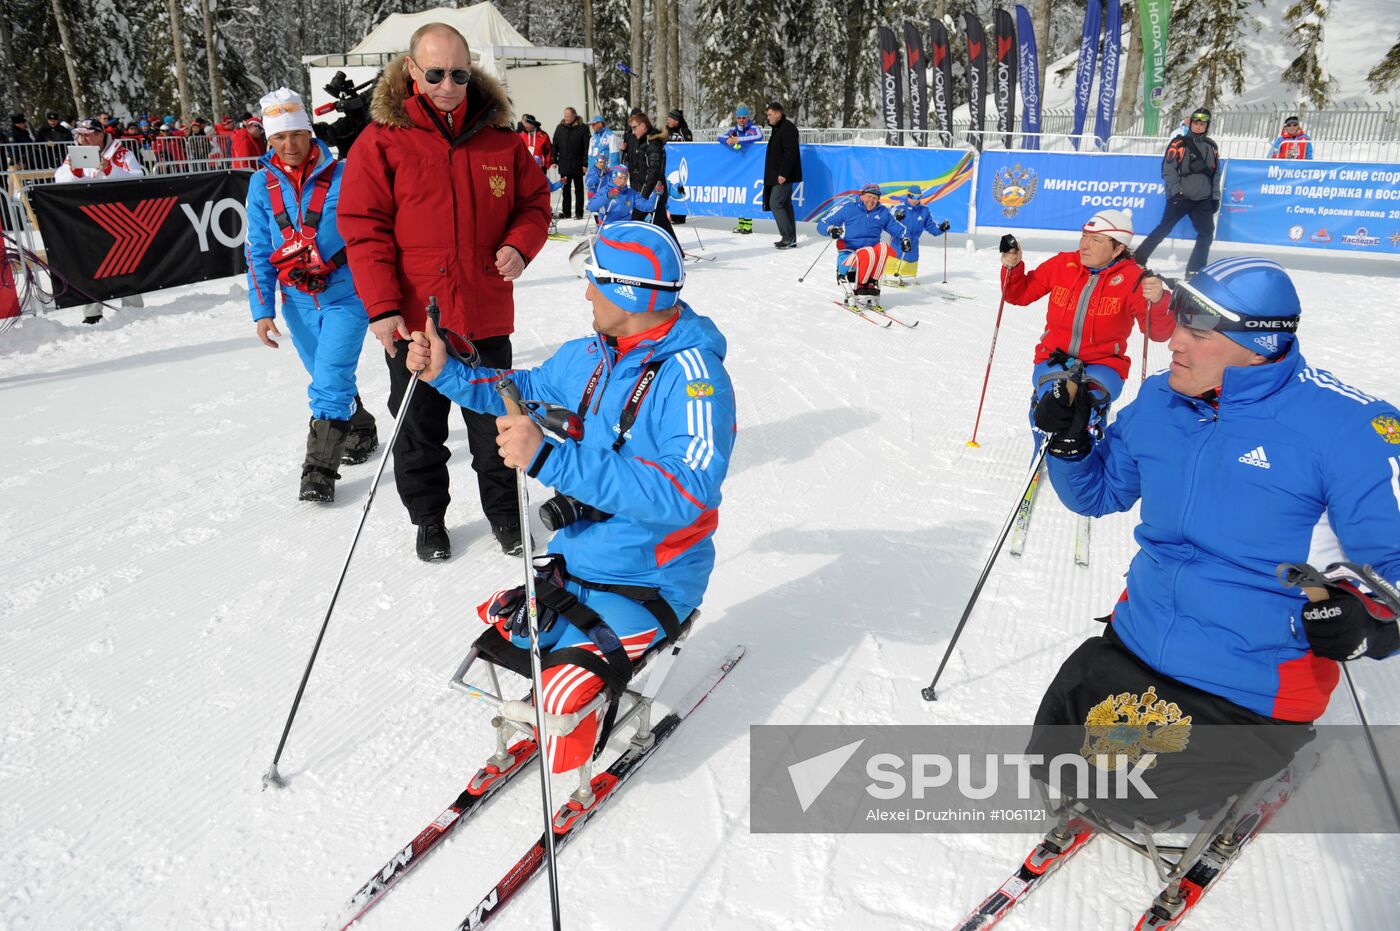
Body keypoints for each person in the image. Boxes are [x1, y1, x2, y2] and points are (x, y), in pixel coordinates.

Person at [1027, 256, 1400, 827]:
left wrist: (1371, 621)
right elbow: (1095, 496)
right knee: (1050, 757)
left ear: (1260, 345)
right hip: (1138, 639)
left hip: (1251, 681)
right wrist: (1072, 442)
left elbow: (1391, 568)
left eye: (1197, 333)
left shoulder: (1349, 428)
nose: (1172, 342)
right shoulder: (1159, 400)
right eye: (1178, 324)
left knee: (1137, 795)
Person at [404, 220, 735, 775]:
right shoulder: (591, 354)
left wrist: (553, 459)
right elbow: (524, 390)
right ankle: (568, 695)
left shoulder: (696, 379)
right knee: (502, 635)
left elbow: (689, 491)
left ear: (629, 292)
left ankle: (579, 740)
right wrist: (447, 373)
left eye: (595, 281)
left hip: (653, 576)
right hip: (580, 561)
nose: (586, 293)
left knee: (557, 703)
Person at [338, 21, 552, 561]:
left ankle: (506, 517)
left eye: (459, 73)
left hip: (483, 316)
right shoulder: (382, 141)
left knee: (498, 428)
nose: (449, 85)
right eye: (435, 73)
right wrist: (383, 308)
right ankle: (429, 520)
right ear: (412, 71)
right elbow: (363, 228)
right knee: (419, 432)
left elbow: (535, 204)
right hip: (415, 322)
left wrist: (521, 245)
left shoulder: (500, 139)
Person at [243, 88, 380, 503]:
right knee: (325, 375)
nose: (289, 146)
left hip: (345, 294)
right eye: (279, 139)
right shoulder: (259, 184)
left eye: (296, 136)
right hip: (297, 301)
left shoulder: (344, 172)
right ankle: (360, 427)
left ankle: (319, 470)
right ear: (268, 141)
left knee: (329, 380)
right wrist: (262, 309)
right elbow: (258, 250)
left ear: (309, 132)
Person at [1000, 209, 1171, 457]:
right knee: (1055, 402)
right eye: (1084, 235)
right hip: (1054, 358)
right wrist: (1013, 268)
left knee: (1083, 406)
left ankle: (1088, 437)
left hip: (1104, 365)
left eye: (1096, 240)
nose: (1084, 245)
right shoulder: (1063, 264)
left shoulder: (1134, 279)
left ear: (1118, 249)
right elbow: (1018, 294)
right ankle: (1043, 435)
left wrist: (1158, 300)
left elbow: (1157, 333)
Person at [54, 117, 146, 324]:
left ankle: (133, 308)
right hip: (87, 218)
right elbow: (59, 178)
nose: (82, 139)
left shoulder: (121, 152)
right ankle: (92, 312)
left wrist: (109, 169)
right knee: (89, 264)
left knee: (124, 260)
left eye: (87, 135)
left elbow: (137, 177)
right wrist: (74, 172)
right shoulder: (75, 154)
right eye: (80, 135)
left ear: (99, 134)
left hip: (118, 217)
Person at [1135, 106, 1221, 279]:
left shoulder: (1211, 145)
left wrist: (1215, 196)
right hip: (1181, 197)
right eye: (1196, 122)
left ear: (1207, 125)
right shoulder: (1178, 143)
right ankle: (1138, 259)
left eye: (1203, 123)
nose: (1198, 126)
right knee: (1164, 228)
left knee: (1206, 233)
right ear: (1191, 123)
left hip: (1203, 199)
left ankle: (1194, 270)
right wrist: (1176, 193)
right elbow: (1169, 169)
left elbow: (1215, 173)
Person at [815, 183, 906, 307]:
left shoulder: (882, 212)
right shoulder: (848, 208)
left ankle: (871, 284)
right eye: (869, 196)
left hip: (871, 256)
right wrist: (831, 229)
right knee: (869, 251)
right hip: (849, 255)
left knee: (884, 248)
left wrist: (905, 239)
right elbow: (822, 223)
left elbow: (900, 230)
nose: (871, 200)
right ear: (862, 196)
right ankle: (860, 286)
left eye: (875, 198)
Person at [625, 111, 674, 241]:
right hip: (642, 190)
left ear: (643, 126)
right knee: (661, 222)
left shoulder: (653, 143)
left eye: (635, 127)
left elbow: (654, 172)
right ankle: (676, 251)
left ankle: (629, 250)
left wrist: (643, 194)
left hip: (652, 192)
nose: (633, 131)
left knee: (635, 221)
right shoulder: (640, 141)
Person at [886, 185, 950, 281]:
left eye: (918, 197)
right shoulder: (898, 207)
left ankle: (909, 279)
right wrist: (896, 218)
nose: (915, 200)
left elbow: (932, 227)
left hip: (914, 243)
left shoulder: (924, 211)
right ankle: (890, 277)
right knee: (896, 261)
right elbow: (888, 222)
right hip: (898, 243)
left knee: (910, 262)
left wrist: (941, 228)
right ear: (908, 195)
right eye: (913, 197)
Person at [716, 105, 763, 233]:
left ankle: (748, 224)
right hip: (737, 169)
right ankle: (741, 223)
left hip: (751, 167)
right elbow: (719, 137)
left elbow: (758, 137)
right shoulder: (733, 130)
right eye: (739, 118)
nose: (742, 120)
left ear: (748, 117)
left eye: (744, 117)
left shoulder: (754, 128)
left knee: (748, 194)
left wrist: (739, 139)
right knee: (740, 196)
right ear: (736, 119)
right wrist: (727, 140)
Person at [763, 102, 802, 249]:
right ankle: (791, 238)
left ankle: (788, 236)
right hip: (777, 175)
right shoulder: (778, 128)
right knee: (784, 204)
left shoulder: (787, 128)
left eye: (770, 114)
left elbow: (790, 153)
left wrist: (784, 173)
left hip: (783, 175)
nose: (768, 118)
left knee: (776, 203)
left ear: (778, 114)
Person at [586, 164, 660, 225]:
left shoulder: (630, 193)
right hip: (608, 227)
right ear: (614, 177)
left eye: (625, 178)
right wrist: (607, 196)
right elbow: (591, 207)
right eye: (620, 177)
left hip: (624, 227)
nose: (623, 181)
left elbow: (648, 207)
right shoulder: (605, 190)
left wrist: (655, 194)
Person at [552, 107, 589, 220]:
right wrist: (554, 159)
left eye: (568, 116)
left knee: (579, 190)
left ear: (574, 116)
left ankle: (579, 213)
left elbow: (587, 147)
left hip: (578, 165)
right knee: (565, 190)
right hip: (564, 166)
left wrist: (585, 163)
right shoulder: (560, 128)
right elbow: (555, 145)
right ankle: (566, 212)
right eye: (565, 115)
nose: (566, 118)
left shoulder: (582, 128)